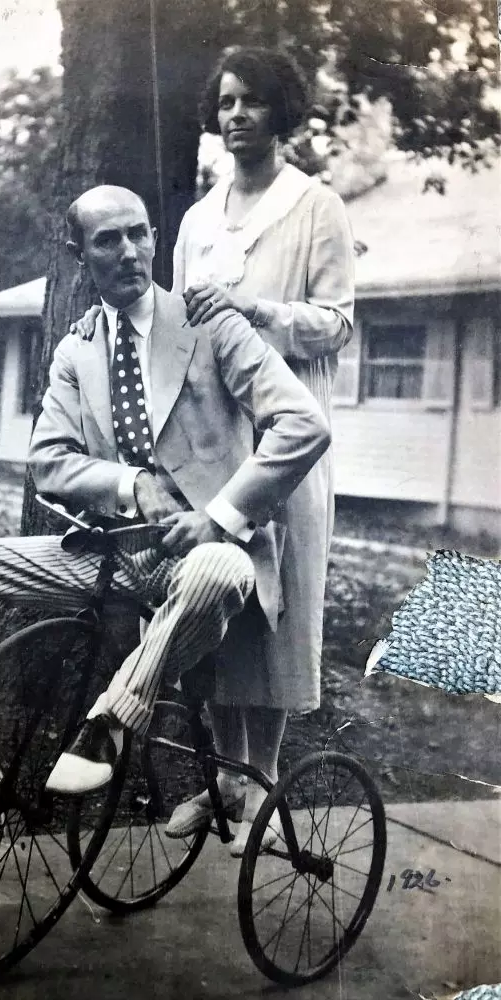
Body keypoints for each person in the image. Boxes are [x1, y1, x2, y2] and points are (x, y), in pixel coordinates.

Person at [0, 184, 331, 837]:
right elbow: (49, 460)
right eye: (109, 240)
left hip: (207, 555)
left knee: (217, 568)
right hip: (110, 553)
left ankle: (111, 723)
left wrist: (219, 517)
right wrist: (131, 485)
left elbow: (304, 423)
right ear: (79, 254)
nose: (130, 252)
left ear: (155, 239)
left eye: (140, 234)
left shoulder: (207, 322)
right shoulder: (78, 350)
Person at [166, 45, 355, 854]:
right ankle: (224, 781)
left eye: (253, 101)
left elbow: (337, 319)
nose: (237, 115)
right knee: (220, 602)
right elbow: (173, 326)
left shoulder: (316, 206)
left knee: (277, 615)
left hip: (286, 433)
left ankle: (261, 785)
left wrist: (256, 310)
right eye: (227, 101)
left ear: (282, 113)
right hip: (213, 435)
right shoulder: (197, 219)